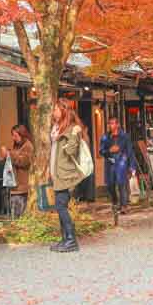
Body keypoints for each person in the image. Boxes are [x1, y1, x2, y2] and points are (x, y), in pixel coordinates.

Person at [50, 98, 86, 253]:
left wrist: (71, 136)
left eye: (56, 109)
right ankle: (65, 239)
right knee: (60, 206)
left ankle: (71, 240)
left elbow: (71, 151)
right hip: (57, 173)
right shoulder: (57, 128)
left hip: (66, 173)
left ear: (64, 111)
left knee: (60, 206)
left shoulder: (72, 129)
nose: (54, 112)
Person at [99, 117, 137, 213]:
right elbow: (101, 151)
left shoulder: (125, 136)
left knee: (122, 184)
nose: (111, 126)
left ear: (118, 124)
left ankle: (124, 206)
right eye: (109, 123)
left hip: (121, 164)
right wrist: (109, 151)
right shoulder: (105, 137)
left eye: (113, 123)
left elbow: (130, 151)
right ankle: (115, 202)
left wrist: (132, 166)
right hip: (110, 164)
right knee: (110, 186)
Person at [2, 124, 33, 218]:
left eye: (15, 136)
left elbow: (24, 162)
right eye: (12, 135)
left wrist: (9, 154)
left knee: (20, 215)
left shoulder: (28, 146)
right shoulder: (17, 146)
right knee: (14, 214)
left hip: (22, 187)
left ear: (22, 134)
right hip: (15, 186)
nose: (13, 138)